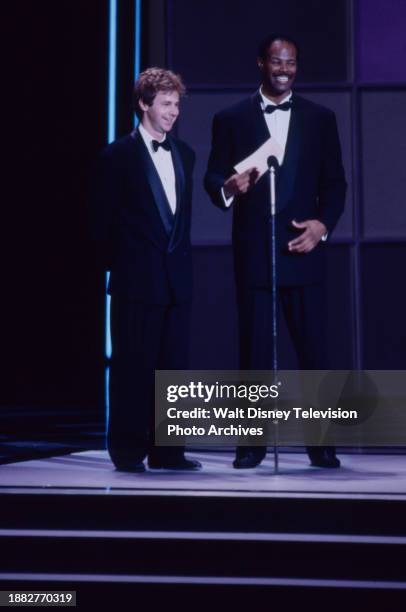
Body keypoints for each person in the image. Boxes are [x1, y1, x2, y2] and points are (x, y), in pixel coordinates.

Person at [204, 35, 347, 469]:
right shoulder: (229, 119)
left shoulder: (321, 119)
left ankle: (320, 444)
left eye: (291, 63)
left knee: (314, 353)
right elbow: (213, 179)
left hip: (303, 252)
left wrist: (322, 227)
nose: (284, 69)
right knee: (254, 352)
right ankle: (251, 445)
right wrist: (228, 187)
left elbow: (335, 185)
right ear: (261, 63)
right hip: (254, 254)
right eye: (276, 61)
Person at [91, 68, 201, 472]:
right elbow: (99, 224)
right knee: (132, 368)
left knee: (172, 370)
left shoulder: (185, 154)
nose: (174, 112)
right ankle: (127, 450)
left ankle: (169, 451)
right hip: (136, 281)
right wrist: (118, 269)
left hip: (177, 283)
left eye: (176, 104)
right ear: (143, 104)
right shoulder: (116, 157)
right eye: (166, 104)